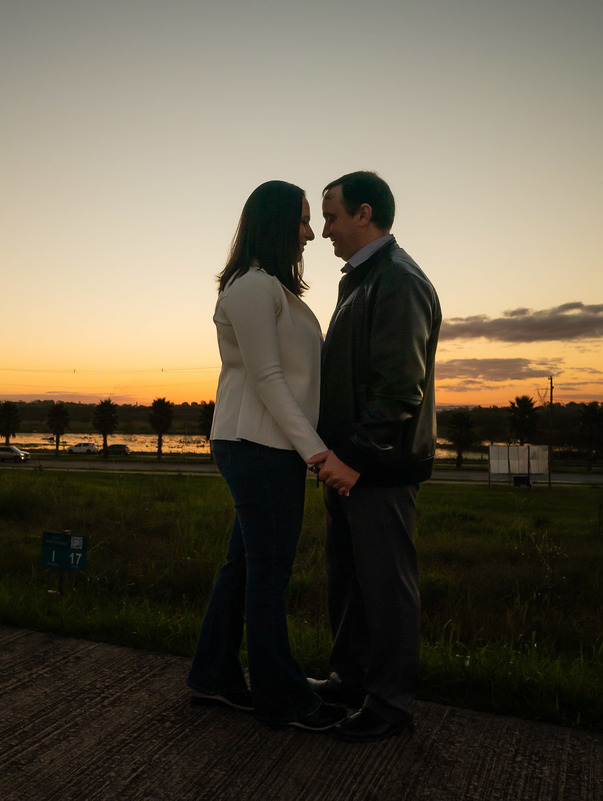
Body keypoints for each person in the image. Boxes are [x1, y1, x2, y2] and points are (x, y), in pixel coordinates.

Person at [187, 180, 347, 732]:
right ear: (276, 223)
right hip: (257, 445)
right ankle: (281, 697)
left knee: (245, 566)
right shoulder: (253, 288)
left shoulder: (279, 292)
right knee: (268, 574)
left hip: (268, 445)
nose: (310, 233)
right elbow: (270, 379)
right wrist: (318, 454)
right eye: (303, 221)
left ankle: (212, 677)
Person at [307, 171, 441, 742]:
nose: (323, 231)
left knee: (385, 588)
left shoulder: (398, 280)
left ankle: (388, 706)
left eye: (332, 216)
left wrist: (356, 456)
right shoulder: (362, 279)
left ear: (364, 214)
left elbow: (398, 387)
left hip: (379, 467)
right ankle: (349, 680)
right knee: (351, 580)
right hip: (349, 464)